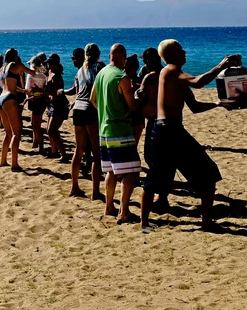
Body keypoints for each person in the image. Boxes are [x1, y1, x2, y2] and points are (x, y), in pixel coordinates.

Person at [140, 41, 243, 232]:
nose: (185, 52)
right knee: (208, 174)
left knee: (154, 178)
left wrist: (218, 103)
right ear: (171, 54)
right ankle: (204, 224)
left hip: (162, 130)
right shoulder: (171, 71)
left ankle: (145, 223)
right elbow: (198, 82)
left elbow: (195, 107)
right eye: (181, 50)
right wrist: (222, 66)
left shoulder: (173, 77)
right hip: (170, 131)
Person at [91, 44, 141, 223]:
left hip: (104, 130)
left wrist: (105, 112)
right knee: (130, 173)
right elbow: (132, 106)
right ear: (120, 56)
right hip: (120, 130)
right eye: (125, 55)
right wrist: (138, 95)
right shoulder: (122, 77)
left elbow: (93, 99)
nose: (126, 59)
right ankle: (123, 211)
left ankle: (109, 206)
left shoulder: (101, 73)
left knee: (111, 171)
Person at [136, 47, 172, 212]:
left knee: (152, 160)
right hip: (170, 121)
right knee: (166, 161)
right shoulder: (168, 74)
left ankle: (158, 197)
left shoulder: (150, 77)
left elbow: (139, 98)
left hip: (154, 122)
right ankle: (163, 196)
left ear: (148, 61)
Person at [68, 44, 104, 200]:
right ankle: (95, 191)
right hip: (90, 109)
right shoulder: (100, 67)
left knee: (79, 150)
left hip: (78, 108)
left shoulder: (79, 70)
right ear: (98, 54)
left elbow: (77, 92)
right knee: (97, 153)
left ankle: (74, 186)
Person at [0, 48, 34, 172]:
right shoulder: (15, 64)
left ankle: (3, 161)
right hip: (10, 99)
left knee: (8, 133)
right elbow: (32, 73)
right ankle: (14, 164)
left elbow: (9, 84)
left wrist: (23, 90)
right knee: (16, 133)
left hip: (1, 99)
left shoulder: (2, 68)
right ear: (15, 57)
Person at [46, 54, 70, 161]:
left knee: (52, 130)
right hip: (53, 104)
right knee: (51, 130)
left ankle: (63, 154)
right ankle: (59, 152)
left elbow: (56, 93)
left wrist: (42, 92)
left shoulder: (57, 76)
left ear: (55, 64)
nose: (48, 65)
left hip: (59, 105)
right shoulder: (50, 73)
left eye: (50, 63)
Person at [26, 53, 50, 155]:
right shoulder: (44, 75)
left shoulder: (30, 76)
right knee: (35, 124)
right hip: (41, 101)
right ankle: (36, 143)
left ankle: (40, 146)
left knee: (36, 126)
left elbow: (27, 90)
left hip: (33, 100)